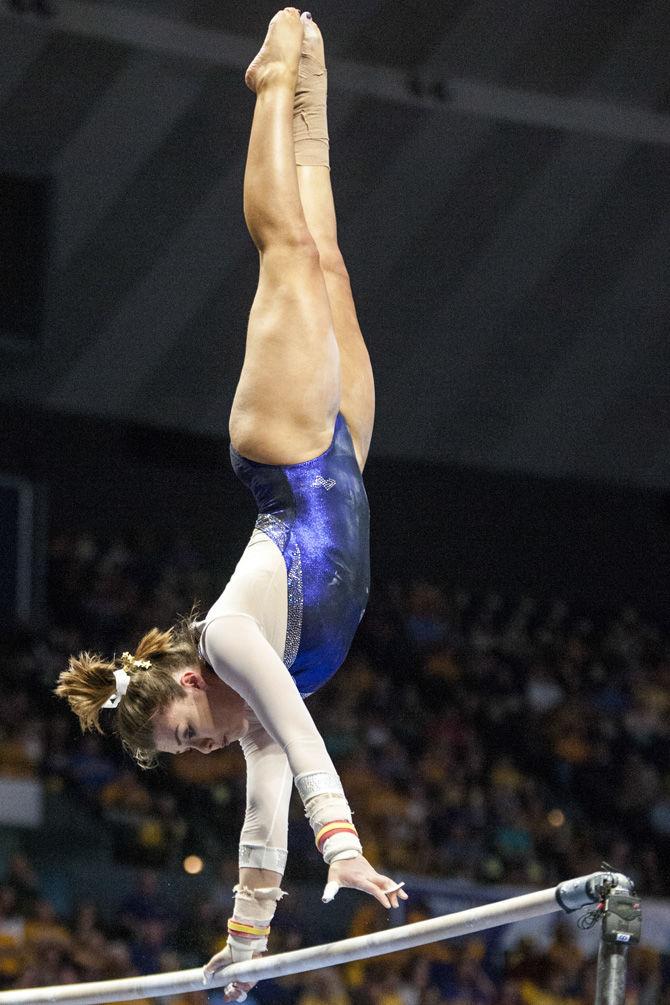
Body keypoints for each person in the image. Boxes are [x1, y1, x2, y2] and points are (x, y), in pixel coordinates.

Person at [56, 8, 408, 1001]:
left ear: (176, 682)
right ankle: (310, 90)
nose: (201, 747)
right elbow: (261, 815)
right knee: (327, 256)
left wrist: (340, 842)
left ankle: (266, 83)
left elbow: (299, 744)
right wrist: (245, 946)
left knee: (286, 249)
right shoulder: (239, 712)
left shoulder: (226, 640)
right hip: (347, 460)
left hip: (287, 459)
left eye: (179, 735)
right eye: (186, 751)